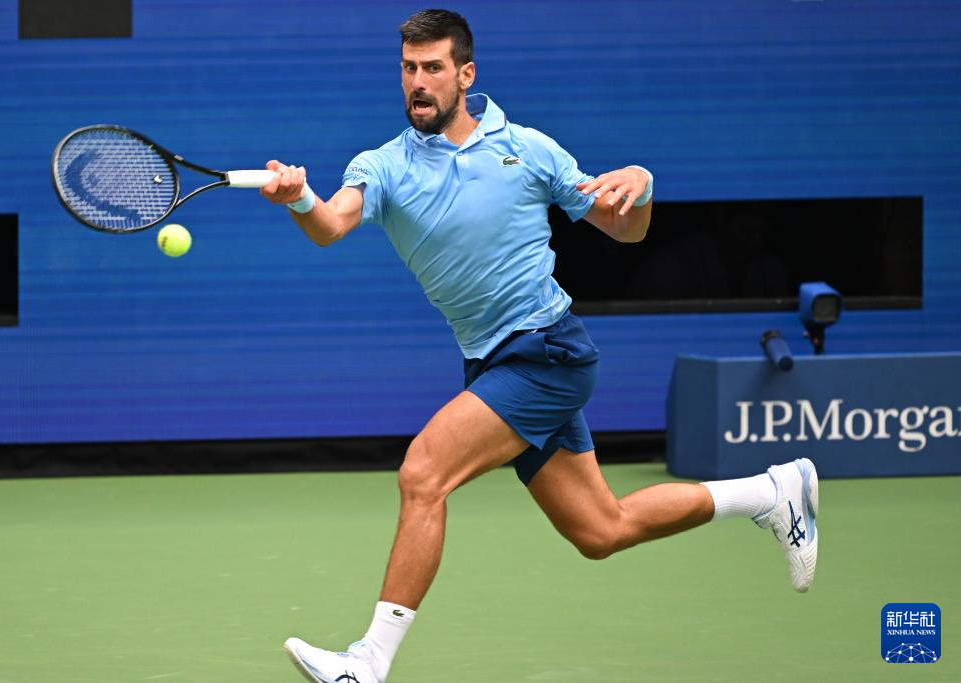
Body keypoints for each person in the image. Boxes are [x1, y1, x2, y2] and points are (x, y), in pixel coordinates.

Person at [260, 10, 818, 683]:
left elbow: (627, 230)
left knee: (423, 473)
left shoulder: (528, 149)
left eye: (433, 67)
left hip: (547, 352)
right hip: (491, 361)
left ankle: (368, 663)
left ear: (465, 74)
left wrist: (641, 183)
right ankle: (771, 491)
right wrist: (300, 198)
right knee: (602, 530)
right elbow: (331, 224)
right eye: (408, 68)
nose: (418, 82)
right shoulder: (382, 164)